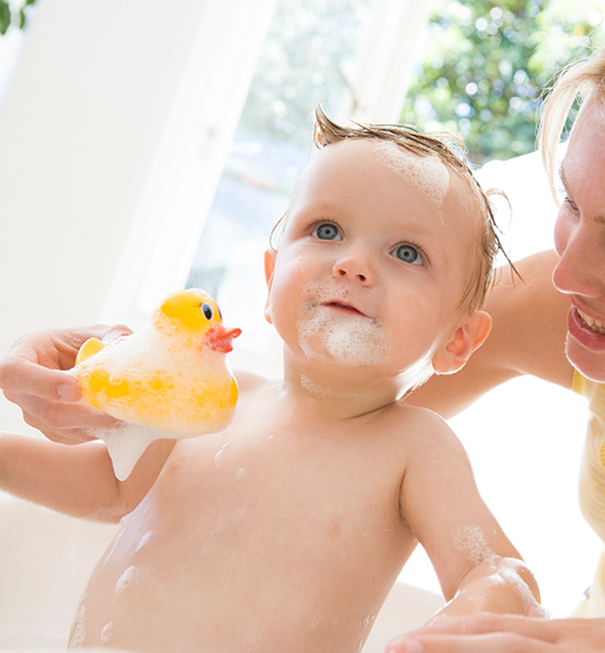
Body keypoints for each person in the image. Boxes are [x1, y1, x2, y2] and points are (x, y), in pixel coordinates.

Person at [3, 0, 605, 651]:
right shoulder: (563, 298)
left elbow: (483, 557)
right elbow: (328, 416)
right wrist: (132, 381)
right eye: (570, 203)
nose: (566, 271)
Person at [0, 108, 541, 653]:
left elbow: (498, 572)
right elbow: (110, 489)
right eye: (326, 230)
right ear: (269, 277)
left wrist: (471, 614)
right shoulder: (212, 399)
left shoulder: (414, 449)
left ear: (458, 341)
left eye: (407, 253)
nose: (354, 264)